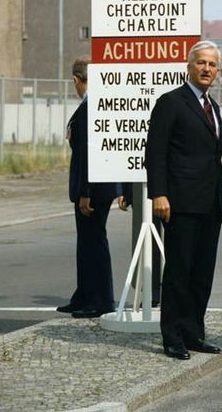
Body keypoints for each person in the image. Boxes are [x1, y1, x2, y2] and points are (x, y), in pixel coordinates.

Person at [145, 40, 222, 360]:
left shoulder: (214, 107)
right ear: (188, 66)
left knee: (202, 272)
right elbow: (155, 152)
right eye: (201, 63)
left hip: (211, 202)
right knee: (179, 271)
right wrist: (159, 193)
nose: (207, 69)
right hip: (180, 202)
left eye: (212, 65)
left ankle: (194, 332)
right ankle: (173, 336)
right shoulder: (171, 102)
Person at [57, 56, 127, 319]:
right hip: (98, 185)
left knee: (94, 241)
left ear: (76, 80)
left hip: (94, 188)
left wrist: (85, 192)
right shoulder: (92, 105)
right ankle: (84, 295)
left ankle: (100, 300)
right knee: (86, 241)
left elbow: (90, 152)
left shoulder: (92, 107)